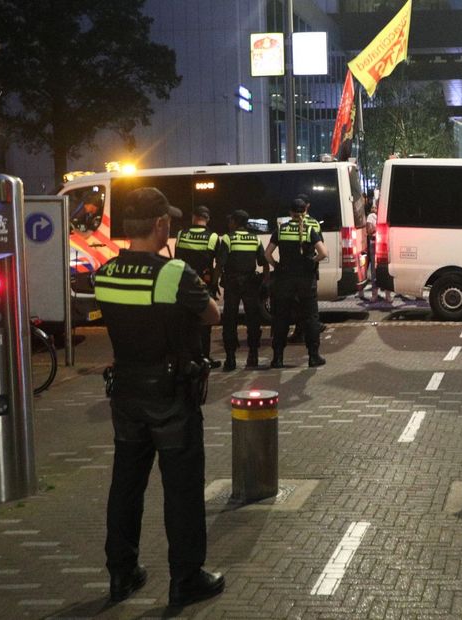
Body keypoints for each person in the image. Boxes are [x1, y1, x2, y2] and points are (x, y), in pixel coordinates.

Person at [93, 187, 225, 607]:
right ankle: (185, 579)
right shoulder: (174, 273)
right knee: (182, 490)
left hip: (126, 394)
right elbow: (213, 315)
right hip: (171, 397)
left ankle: (121, 573)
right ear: (160, 225)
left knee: (126, 486)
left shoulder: (106, 273)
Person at [266, 197, 328, 369]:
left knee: (281, 318)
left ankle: (277, 358)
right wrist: (312, 262)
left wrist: (276, 265)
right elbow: (323, 252)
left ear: (290, 212)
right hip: (306, 280)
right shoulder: (310, 230)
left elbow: (267, 254)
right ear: (305, 211)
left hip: (284, 279)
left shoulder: (281, 229)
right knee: (311, 318)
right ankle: (313, 357)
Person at [173, 205, 223, 369]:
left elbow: (177, 259)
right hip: (203, 284)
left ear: (194, 217)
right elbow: (218, 264)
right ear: (207, 219)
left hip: (183, 282)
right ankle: (204, 357)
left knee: (184, 321)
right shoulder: (213, 237)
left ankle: (186, 358)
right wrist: (214, 284)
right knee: (204, 323)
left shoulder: (181, 234)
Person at [220, 210, 268, 370]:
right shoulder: (255, 239)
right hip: (250, 283)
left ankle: (230, 358)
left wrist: (216, 281)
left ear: (235, 222)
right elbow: (263, 262)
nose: (229, 224)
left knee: (230, 320)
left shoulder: (228, 238)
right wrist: (265, 281)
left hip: (232, 283)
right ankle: (253, 354)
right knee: (253, 320)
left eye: (230, 221)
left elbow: (220, 263)